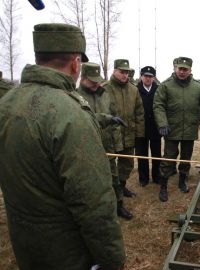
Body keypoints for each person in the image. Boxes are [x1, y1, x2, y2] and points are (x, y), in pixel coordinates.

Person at [0, 23, 125, 270]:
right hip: (67, 252)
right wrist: (113, 259)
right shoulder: (70, 113)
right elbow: (94, 202)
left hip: (25, 242)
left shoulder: (7, 103)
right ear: (76, 63)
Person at [153, 56, 200, 202]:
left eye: (185, 69)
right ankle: (163, 185)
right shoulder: (166, 85)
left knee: (186, 157)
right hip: (171, 129)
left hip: (190, 128)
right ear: (175, 68)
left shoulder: (198, 87)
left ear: (190, 70)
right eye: (180, 69)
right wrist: (162, 123)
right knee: (168, 158)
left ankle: (182, 180)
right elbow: (158, 105)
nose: (182, 72)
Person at [77, 62, 133, 220]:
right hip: (87, 147)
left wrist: (117, 145)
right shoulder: (75, 96)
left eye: (98, 80)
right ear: (83, 78)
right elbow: (85, 119)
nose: (96, 84)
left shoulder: (105, 94)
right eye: (92, 81)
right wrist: (109, 118)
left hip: (107, 145)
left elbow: (114, 118)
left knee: (113, 178)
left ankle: (119, 206)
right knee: (92, 181)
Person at [105, 59, 145, 204]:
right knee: (109, 166)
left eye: (126, 72)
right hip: (110, 136)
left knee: (127, 164)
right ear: (114, 71)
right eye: (122, 72)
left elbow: (139, 112)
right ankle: (112, 191)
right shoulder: (104, 88)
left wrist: (139, 134)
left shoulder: (133, 90)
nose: (124, 75)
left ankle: (121, 187)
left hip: (128, 133)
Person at [135, 66, 162, 186]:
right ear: (141, 76)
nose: (148, 78)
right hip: (141, 127)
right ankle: (143, 178)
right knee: (142, 155)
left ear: (153, 78)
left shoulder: (159, 89)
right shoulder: (136, 89)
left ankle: (157, 176)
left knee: (156, 154)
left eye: (150, 76)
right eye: (145, 76)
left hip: (155, 128)